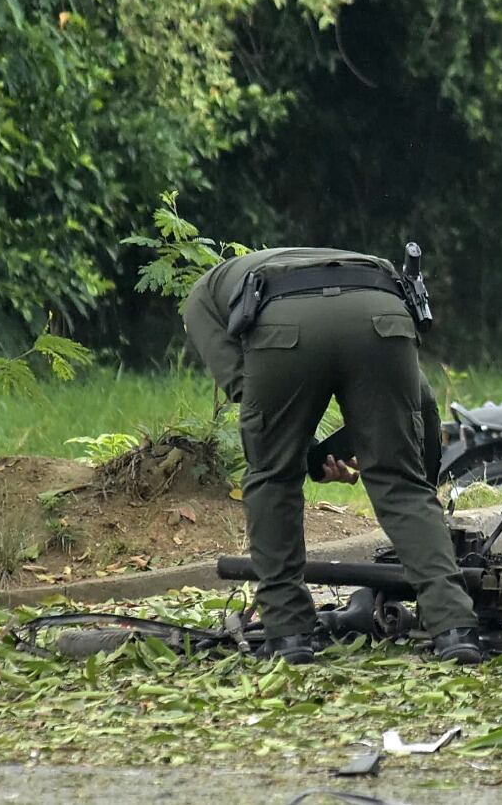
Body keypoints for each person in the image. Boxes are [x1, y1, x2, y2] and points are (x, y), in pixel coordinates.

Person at [183, 246, 483, 664]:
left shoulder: (207, 294)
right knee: (400, 485)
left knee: (272, 479)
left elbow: (250, 392)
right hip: (382, 314)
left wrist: (293, 451)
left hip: (284, 326)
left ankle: (289, 637)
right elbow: (422, 402)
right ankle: (455, 629)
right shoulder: (360, 272)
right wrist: (408, 470)